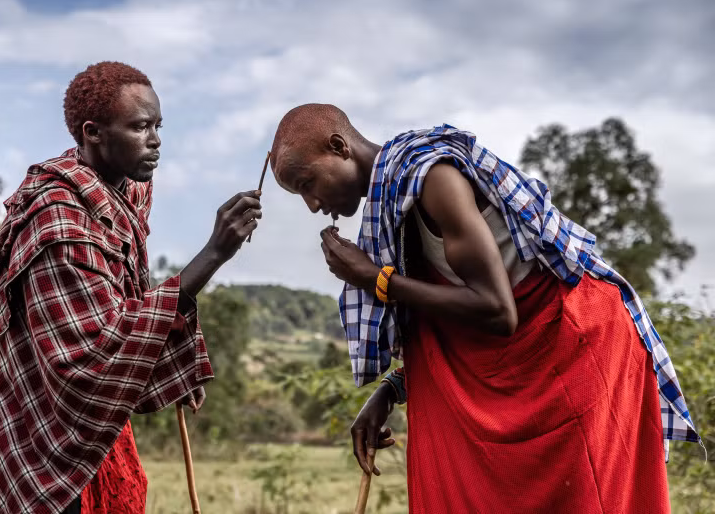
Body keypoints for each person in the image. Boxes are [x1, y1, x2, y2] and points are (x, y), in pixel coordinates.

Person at [268, 103, 700, 513]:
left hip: (573, 346)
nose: (311, 204)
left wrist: (375, 280)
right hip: (521, 359)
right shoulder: (395, 207)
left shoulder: (432, 179)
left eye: (307, 183)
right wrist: (393, 388)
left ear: (339, 147)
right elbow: (445, 318)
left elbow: (497, 310)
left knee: (584, 499)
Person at [0, 61, 263, 513]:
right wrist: (214, 253)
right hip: (42, 421)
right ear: (93, 133)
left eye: (158, 125)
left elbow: (124, 297)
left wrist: (168, 358)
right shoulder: (59, 220)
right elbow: (90, 356)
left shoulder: (126, 190)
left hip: (97, 423)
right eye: (141, 126)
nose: (156, 140)